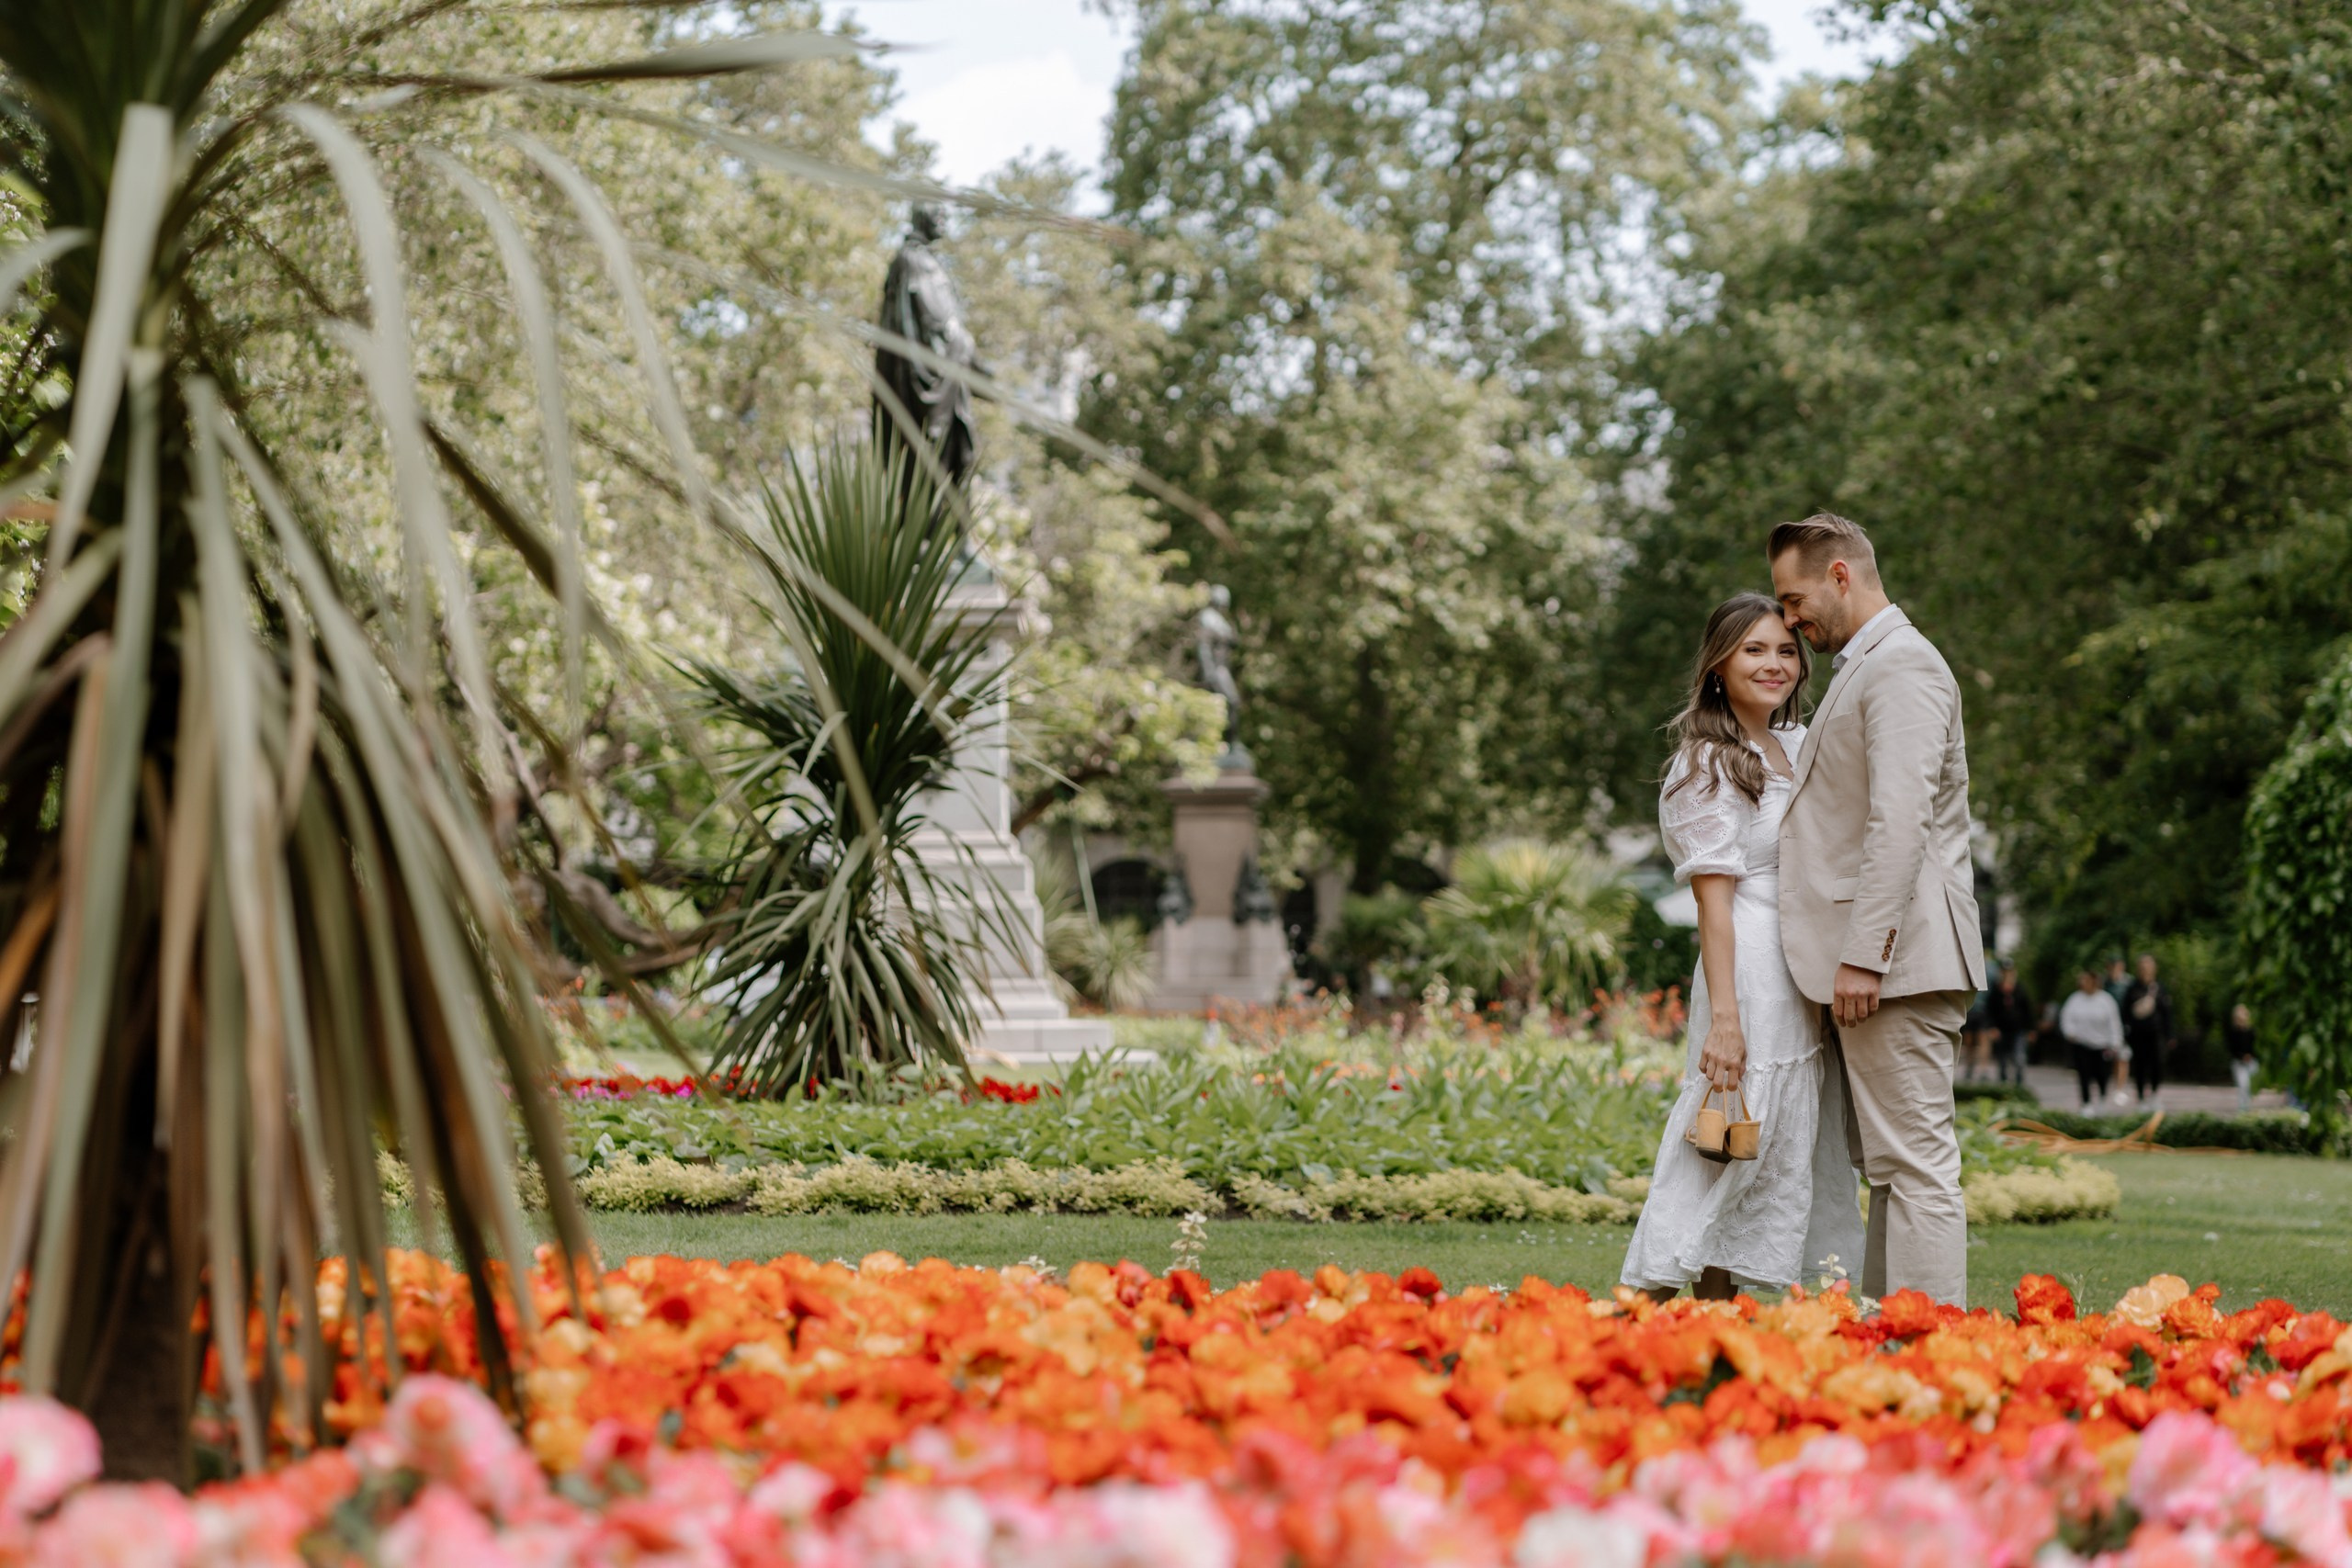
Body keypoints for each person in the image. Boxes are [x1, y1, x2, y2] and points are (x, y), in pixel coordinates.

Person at [1621, 593, 1866, 1302]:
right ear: (1718, 665)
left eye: (1787, 650)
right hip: (1749, 967)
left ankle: (1715, 1312)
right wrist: (1725, 1016)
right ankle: (1646, 1299)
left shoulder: (1796, 744)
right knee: (1725, 1132)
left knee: (1768, 1137)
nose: (1774, 663)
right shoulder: (1706, 764)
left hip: (1803, 969)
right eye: (1754, 649)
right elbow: (1713, 902)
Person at [1770, 514, 1984, 1308]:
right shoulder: (1870, 666)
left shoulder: (1902, 667)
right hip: (1884, 964)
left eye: (1794, 600)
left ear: (1839, 575)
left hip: (1899, 961)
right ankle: (1892, 1339)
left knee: (1917, 1165)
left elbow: (1901, 819)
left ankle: (1931, 1352)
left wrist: (1865, 952)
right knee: (1892, 1168)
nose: (1789, 621)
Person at [2058, 969, 2125, 1110]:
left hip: (2102, 1045)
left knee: (2102, 1075)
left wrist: (2115, 1042)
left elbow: (2114, 1022)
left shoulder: (2106, 1000)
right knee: (2083, 1075)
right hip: (2082, 1044)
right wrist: (2070, 1033)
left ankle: (2101, 1099)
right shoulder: (2075, 999)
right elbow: (2066, 1018)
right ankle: (2086, 1103)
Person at [2121, 953, 2175, 1105]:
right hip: (2137, 1034)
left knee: (2157, 1063)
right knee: (2139, 1065)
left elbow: (2167, 1013)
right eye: (2143, 965)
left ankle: (2155, 1093)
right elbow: (2125, 1011)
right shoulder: (2132, 988)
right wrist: (2125, 1032)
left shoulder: (2159, 987)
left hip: (2155, 1033)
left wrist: (2170, 1034)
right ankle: (2140, 1097)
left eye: (2148, 965)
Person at [1985, 963, 2035, 1088]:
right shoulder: (1996, 991)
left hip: (2018, 1030)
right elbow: (1989, 1011)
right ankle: (2003, 1082)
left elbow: (2028, 1010)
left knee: (2019, 1057)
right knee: (2002, 1059)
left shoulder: (2020, 989)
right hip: (2001, 1030)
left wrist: (2031, 1029)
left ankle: (2019, 1082)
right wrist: (1992, 1027)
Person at [2226, 1003, 2257, 1112]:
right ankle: (2243, 1108)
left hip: (2251, 1062)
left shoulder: (2251, 1031)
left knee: (2248, 1086)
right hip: (2238, 1062)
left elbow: (2255, 1047)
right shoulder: (2233, 1032)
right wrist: (2241, 1056)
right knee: (2242, 1085)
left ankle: (2247, 1106)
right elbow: (2232, 1049)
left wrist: (2250, 1055)